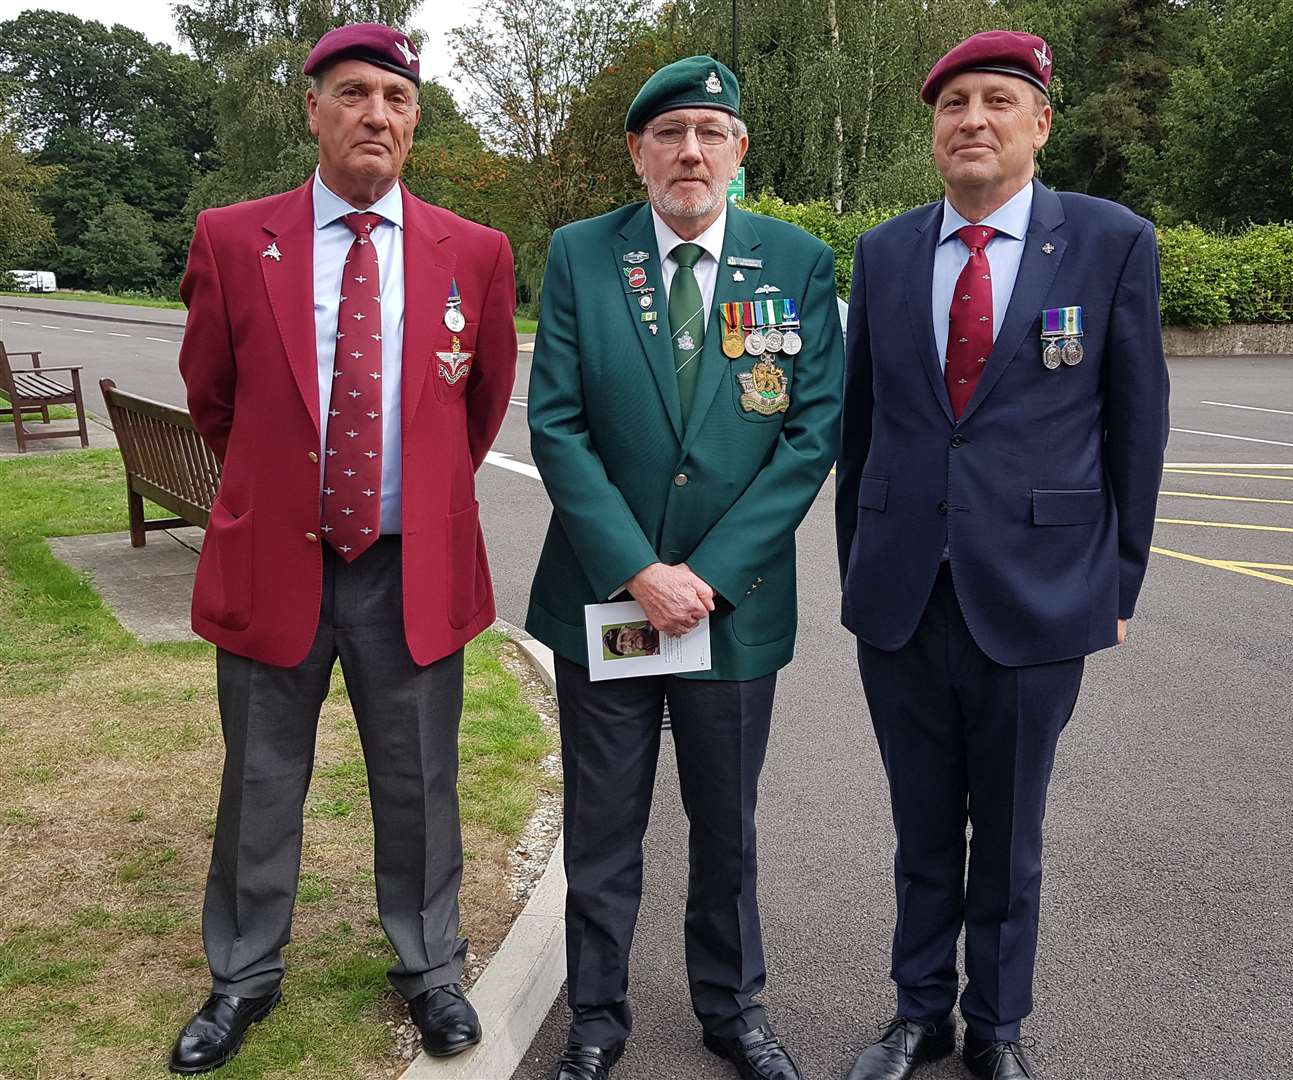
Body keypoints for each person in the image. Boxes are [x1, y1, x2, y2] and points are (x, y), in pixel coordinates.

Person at [168, 23, 517, 1074]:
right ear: (312, 108)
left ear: (415, 120)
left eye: (397, 100)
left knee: (419, 782)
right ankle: (242, 978)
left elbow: (479, 405)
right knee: (260, 780)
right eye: (354, 94)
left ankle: (428, 971)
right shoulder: (234, 238)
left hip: (408, 567)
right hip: (278, 561)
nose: (377, 115)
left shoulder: (475, 251)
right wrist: (293, 491)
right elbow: (213, 398)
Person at [836, 30, 1169, 1080]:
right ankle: (915, 1013)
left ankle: (997, 1029)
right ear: (932, 132)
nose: (970, 119)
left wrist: (1115, 584)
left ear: (1038, 124)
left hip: (1037, 595)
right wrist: (861, 567)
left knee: (1011, 833)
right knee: (920, 827)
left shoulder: (1111, 242)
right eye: (950, 105)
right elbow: (862, 429)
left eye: (994, 100)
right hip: (902, 595)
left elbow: (1135, 427)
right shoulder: (884, 253)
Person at [526, 55, 844, 1080]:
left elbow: (809, 433)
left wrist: (703, 572)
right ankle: (595, 1018)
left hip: (733, 607)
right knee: (604, 825)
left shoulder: (796, 261)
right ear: (637, 152)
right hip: (608, 602)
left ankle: (732, 1010)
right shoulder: (580, 254)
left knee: (726, 828)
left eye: (710, 131)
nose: (690, 151)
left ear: (739, 150)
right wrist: (639, 571)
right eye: (668, 133)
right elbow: (558, 426)